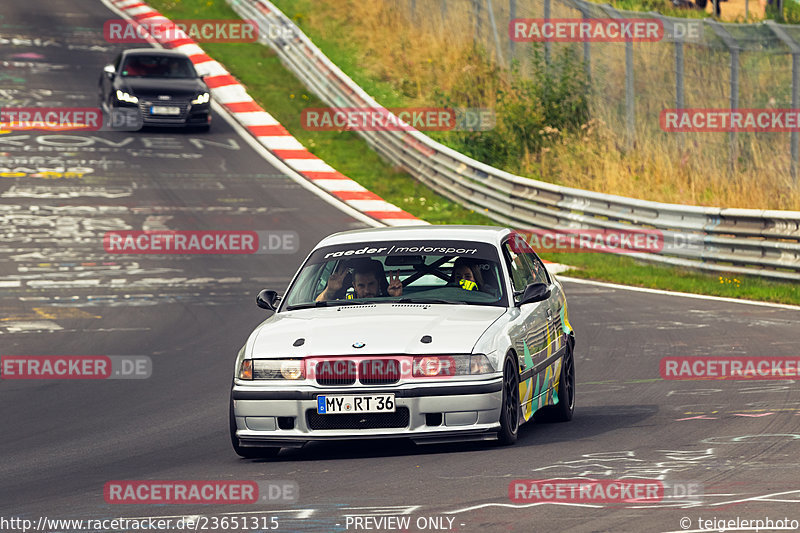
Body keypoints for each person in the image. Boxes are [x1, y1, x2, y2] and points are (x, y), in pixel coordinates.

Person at [316, 259, 402, 301]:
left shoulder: (389, 302)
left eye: (371, 284)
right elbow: (316, 308)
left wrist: (397, 298)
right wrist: (330, 291)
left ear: (378, 282)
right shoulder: (343, 304)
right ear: (354, 286)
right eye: (361, 285)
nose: (367, 290)